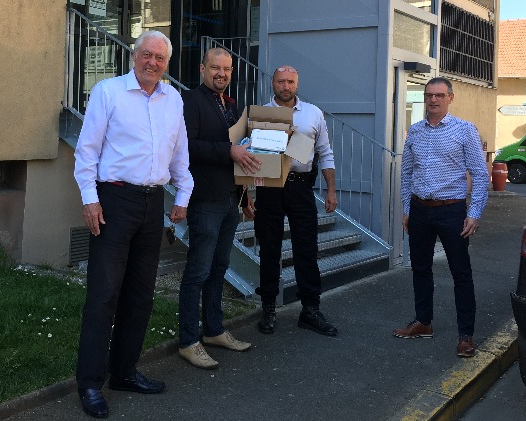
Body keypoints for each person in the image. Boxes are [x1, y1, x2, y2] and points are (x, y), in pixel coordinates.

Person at [72, 30, 193, 419]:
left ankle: (124, 371)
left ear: (166, 64)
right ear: (134, 56)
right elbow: (87, 151)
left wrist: (183, 194)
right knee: (104, 294)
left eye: (160, 58)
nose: (152, 63)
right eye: (147, 55)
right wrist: (89, 199)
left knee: (140, 294)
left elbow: (179, 152)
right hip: (114, 201)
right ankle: (90, 382)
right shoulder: (108, 92)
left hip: (152, 202)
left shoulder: (173, 99)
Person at [393, 77, 489, 358]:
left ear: (450, 98)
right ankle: (423, 322)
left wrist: (474, 213)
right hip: (419, 210)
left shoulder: (465, 130)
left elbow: (480, 174)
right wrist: (407, 209)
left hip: (451, 211)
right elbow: (407, 173)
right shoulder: (415, 131)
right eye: (429, 95)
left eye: (439, 95)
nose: (433, 100)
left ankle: (466, 335)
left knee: (461, 273)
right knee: (420, 268)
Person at [177, 48, 261, 369]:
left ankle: (213, 330)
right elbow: (186, 146)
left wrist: (245, 194)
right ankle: (188, 341)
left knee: (219, 268)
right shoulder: (190, 100)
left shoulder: (231, 105)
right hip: (205, 199)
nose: (221, 74)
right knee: (198, 272)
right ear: (203, 69)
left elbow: (240, 151)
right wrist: (228, 151)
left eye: (226, 69)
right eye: (215, 67)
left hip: (230, 199)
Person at [254, 65, 339, 337]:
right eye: (281, 81)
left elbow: (325, 152)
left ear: (297, 84)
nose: (286, 86)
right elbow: (252, 157)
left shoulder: (313, 113)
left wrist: (331, 189)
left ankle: (310, 310)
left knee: (306, 248)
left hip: (301, 187)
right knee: (269, 248)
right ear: (273, 83)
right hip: (269, 187)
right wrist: (248, 195)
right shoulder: (261, 113)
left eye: (290, 81)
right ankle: (268, 307)